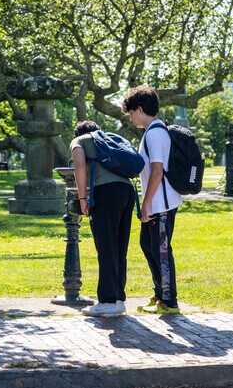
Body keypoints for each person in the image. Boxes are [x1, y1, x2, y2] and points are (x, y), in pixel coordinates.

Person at [121, 86, 182, 314]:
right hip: (157, 203)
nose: (130, 117)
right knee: (149, 246)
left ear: (139, 109)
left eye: (131, 113)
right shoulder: (152, 132)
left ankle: (170, 301)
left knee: (161, 251)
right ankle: (160, 294)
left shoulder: (155, 133)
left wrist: (146, 203)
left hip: (161, 205)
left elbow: (157, 171)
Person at [70, 121, 137, 317]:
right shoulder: (108, 139)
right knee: (119, 247)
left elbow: (80, 167)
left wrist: (82, 198)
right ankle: (117, 299)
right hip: (127, 191)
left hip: (106, 193)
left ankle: (107, 301)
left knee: (106, 247)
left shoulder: (78, 141)